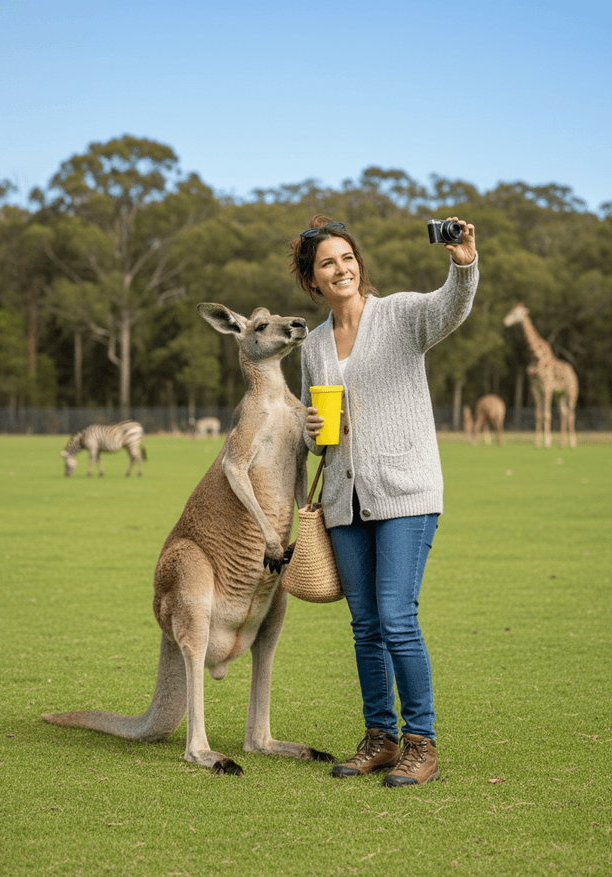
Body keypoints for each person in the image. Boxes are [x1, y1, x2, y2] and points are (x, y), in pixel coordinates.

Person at [289, 214, 478, 787]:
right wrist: (311, 428)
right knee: (366, 624)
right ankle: (381, 738)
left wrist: (463, 263)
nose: (341, 268)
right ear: (313, 280)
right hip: (344, 501)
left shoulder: (399, 315)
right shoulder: (314, 345)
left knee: (397, 618)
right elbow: (313, 431)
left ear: (359, 265)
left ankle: (421, 743)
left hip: (405, 491)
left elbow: (450, 308)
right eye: (328, 263)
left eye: (347, 258)